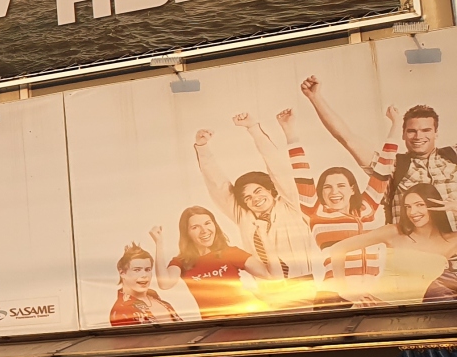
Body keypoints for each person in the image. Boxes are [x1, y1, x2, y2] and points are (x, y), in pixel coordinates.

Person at [303, 76, 457, 229]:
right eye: (412, 131)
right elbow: (347, 138)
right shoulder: (393, 166)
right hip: (411, 242)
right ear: (403, 134)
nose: (418, 136)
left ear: (436, 133)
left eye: (426, 130)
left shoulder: (453, 156)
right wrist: (315, 98)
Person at [275, 102, 397, 290]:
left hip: (373, 292)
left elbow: (383, 168)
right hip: (337, 291)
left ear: (352, 189)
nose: (334, 192)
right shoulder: (316, 211)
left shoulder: (367, 206)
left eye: (341, 186)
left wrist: (395, 124)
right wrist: (289, 130)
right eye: (327, 187)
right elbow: (301, 172)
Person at [195, 123, 316, 306]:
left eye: (258, 191)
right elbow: (219, 186)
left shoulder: (291, 206)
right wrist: (203, 148)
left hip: (302, 285)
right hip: (268, 292)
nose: (255, 199)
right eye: (248, 198)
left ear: (270, 190)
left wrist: (253, 129)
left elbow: (277, 167)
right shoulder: (244, 217)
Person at [321, 184, 457, 304]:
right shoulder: (394, 232)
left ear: (435, 206)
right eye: (408, 207)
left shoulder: (451, 241)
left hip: (411, 315)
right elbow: (338, 248)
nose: (412, 212)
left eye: (420, 205)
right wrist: (345, 291)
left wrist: (454, 208)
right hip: (374, 308)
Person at [152, 206, 279, 319]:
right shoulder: (182, 261)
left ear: (215, 225)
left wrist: (264, 236)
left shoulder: (230, 252)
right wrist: (159, 243)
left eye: (208, 223)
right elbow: (165, 284)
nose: (204, 230)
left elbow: (273, 275)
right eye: (195, 227)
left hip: (248, 317)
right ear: (187, 233)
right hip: (216, 326)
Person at [108, 242, 182, 326]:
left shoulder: (163, 303)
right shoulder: (121, 310)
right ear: (122, 273)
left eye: (147, 270)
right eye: (137, 270)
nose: (144, 275)